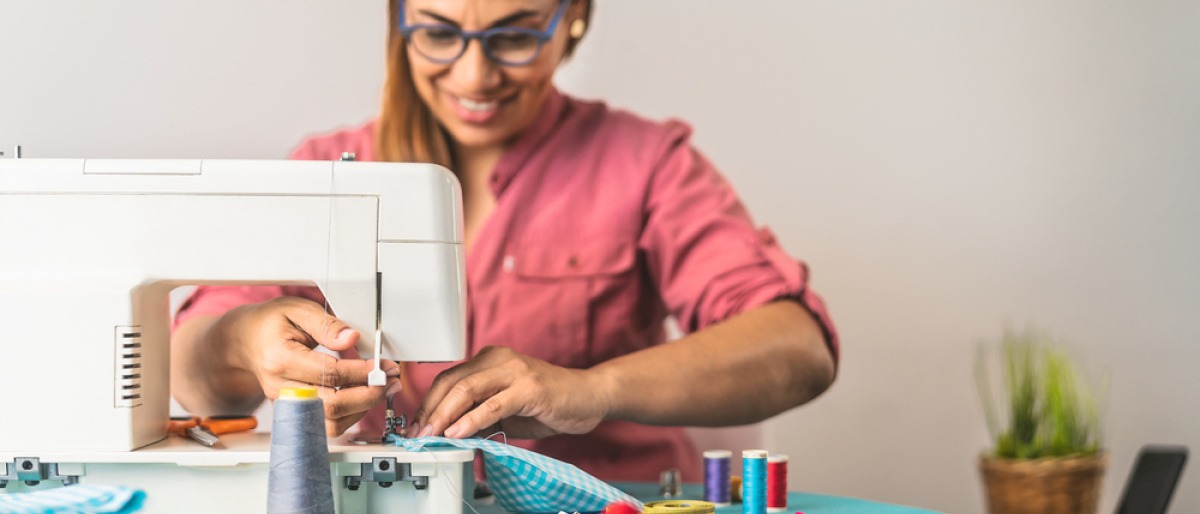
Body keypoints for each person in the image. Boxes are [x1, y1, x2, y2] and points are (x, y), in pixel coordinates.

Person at [171, 0, 838, 482]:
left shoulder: (646, 163)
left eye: (514, 36)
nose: (473, 78)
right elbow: (189, 370)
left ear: (574, 16)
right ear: (397, 20)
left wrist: (592, 390)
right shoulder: (326, 168)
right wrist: (245, 342)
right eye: (437, 33)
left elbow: (799, 347)